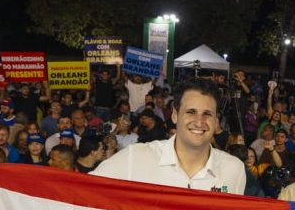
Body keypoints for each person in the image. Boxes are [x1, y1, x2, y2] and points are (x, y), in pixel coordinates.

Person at [91, 78, 247, 192]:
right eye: (190, 112)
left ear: (216, 120)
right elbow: (85, 190)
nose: (199, 122)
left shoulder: (234, 170)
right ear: (174, 115)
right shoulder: (136, 157)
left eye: (207, 114)